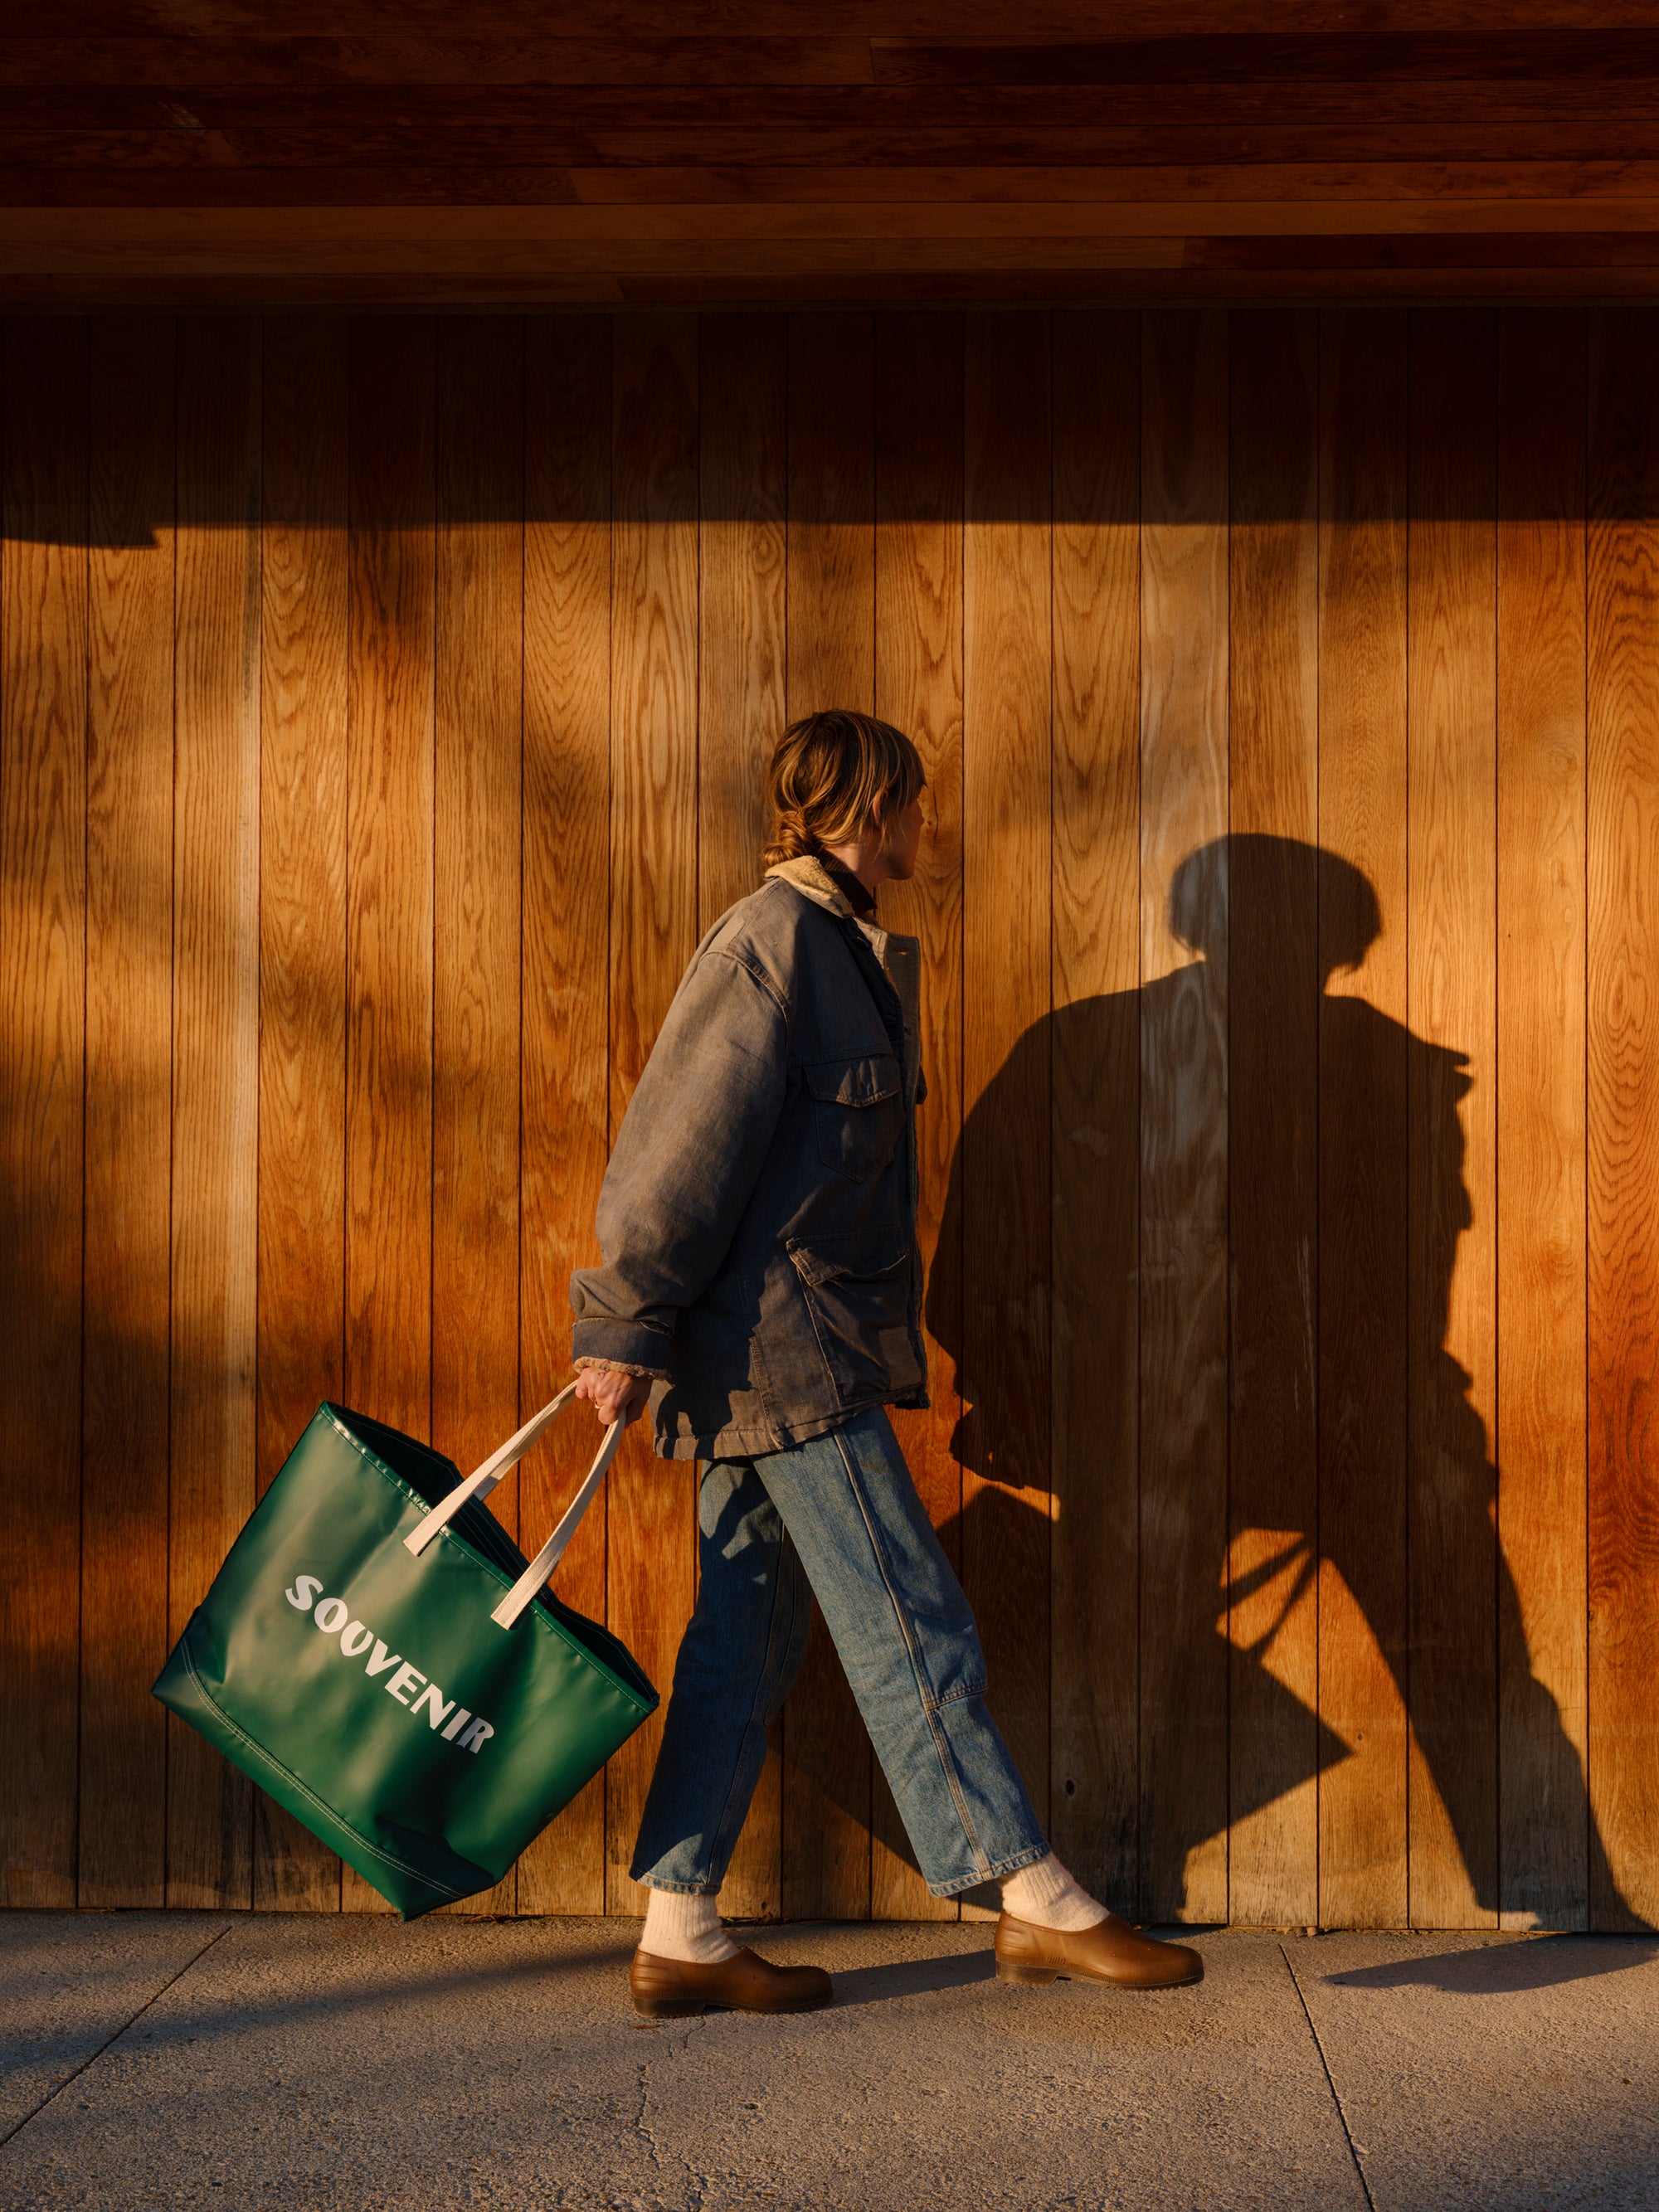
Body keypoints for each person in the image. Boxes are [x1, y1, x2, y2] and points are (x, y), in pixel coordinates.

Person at [570, 709, 1202, 2017]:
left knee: (746, 1634)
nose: (926, 821)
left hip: (795, 1349)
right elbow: (672, 1154)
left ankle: (679, 1930)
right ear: (870, 809)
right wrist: (621, 1327)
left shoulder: (847, 950)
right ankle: (1031, 1894)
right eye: (912, 801)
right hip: (781, 1356)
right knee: (911, 1617)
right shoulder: (769, 947)